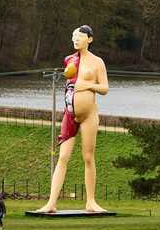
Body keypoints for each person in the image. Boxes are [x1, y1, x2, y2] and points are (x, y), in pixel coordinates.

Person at [35, 25, 108, 213]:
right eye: (74, 36)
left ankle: (90, 201)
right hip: (70, 114)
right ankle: (51, 202)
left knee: (88, 157)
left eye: (80, 36)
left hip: (88, 115)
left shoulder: (97, 62)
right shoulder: (70, 60)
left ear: (89, 39)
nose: (76, 39)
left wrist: (88, 85)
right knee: (63, 157)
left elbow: (105, 88)